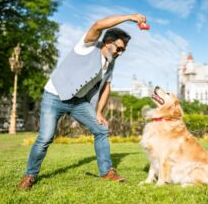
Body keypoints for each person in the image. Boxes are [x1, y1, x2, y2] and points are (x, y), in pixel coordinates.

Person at [18, 13, 147, 189]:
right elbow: (98, 25)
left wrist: (99, 112)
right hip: (55, 95)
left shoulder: (111, 62)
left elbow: (106, 87)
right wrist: (130, 17)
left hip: (78, 102)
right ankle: (30, 176)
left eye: (123, 50)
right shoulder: (87, 46)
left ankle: (107, 172)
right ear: (108, 42)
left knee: (101, 129)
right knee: (46, 137)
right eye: (118, 48)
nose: (120, 53)